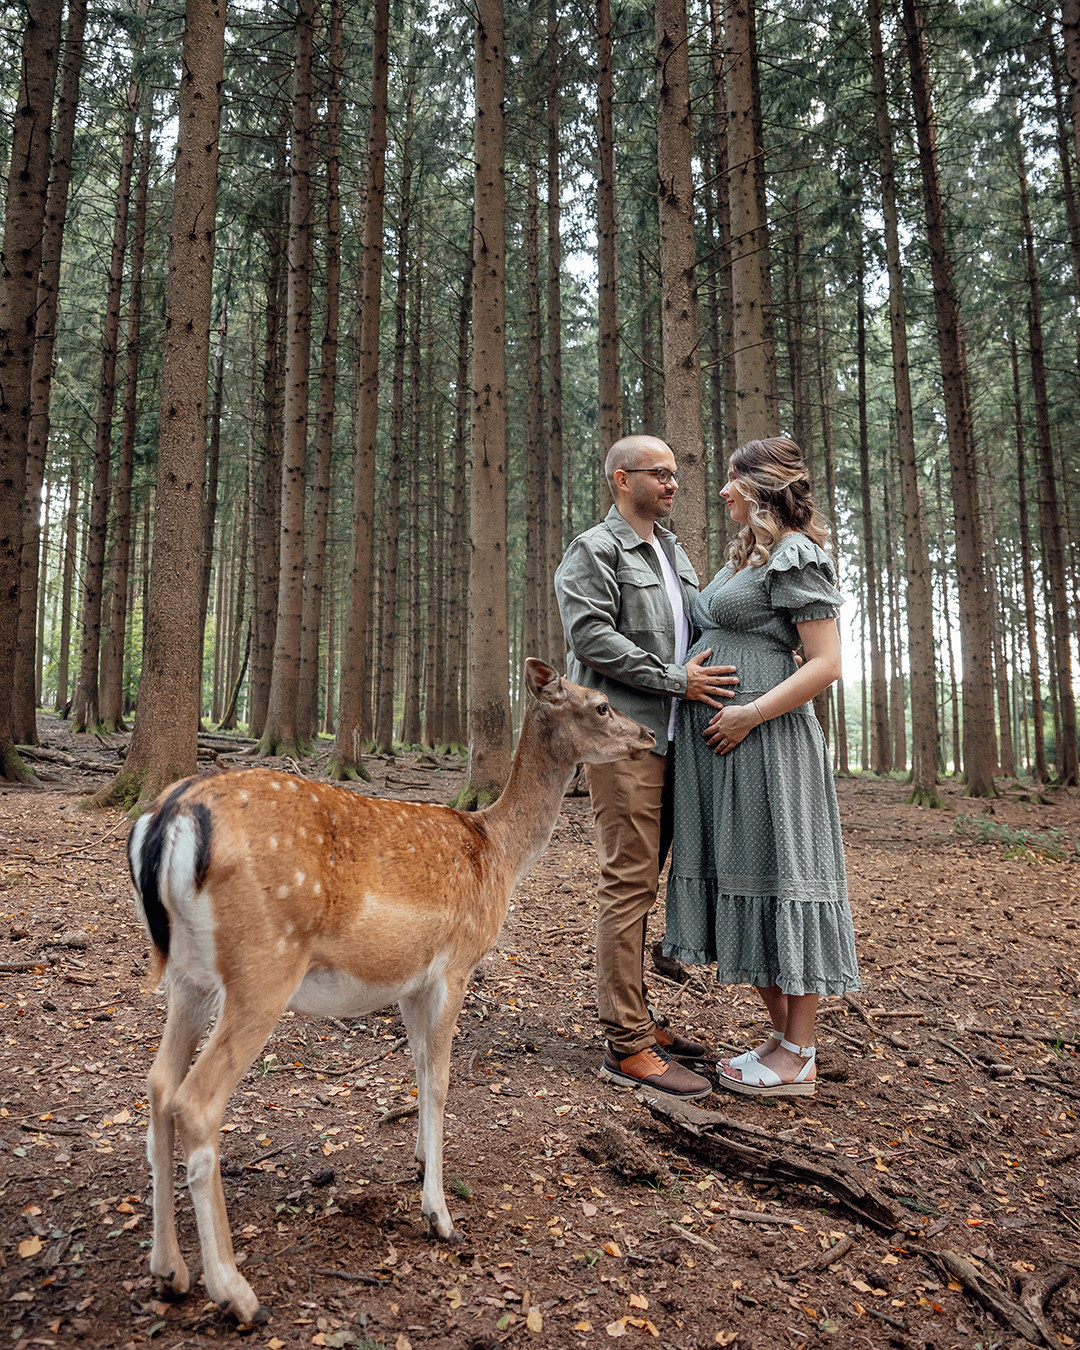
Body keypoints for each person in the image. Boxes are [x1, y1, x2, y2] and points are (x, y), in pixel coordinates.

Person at [663, 436, 860, 1098]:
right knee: (745, 882)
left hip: (768, 749)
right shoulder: (750, 557)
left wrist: (750, 714)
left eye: (732, 481)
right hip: (723, 754)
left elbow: (827, 665)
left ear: (763, 486)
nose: (722, 492)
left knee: (784, 879)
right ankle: (781, 1040)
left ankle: (800, 1053)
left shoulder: (799, 556)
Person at [554, 434, 739, 1099]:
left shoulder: (672, 551)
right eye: (659, 473)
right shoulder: (594, 550)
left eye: (675, 472)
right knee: (627, 882)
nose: (673, 483)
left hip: (675, 741)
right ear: (620, 480)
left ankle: (638, 1017)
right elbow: (590, 637)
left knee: (648, 882)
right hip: (624, 742)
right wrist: (672, 679)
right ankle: (625, 1044)